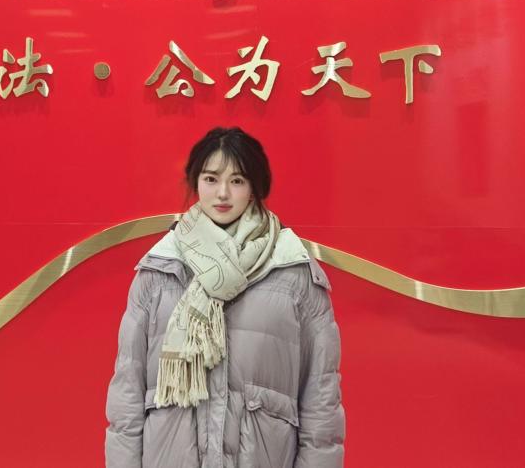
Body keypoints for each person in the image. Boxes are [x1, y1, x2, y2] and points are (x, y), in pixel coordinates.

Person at [105, 126, 345, 468]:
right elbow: (126, 392)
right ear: (196, 182)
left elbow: (321, 399)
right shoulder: (160, 270)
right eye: (211, 178)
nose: (222, 193)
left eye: (237, 180)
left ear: (254, 187)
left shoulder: (293, 273)